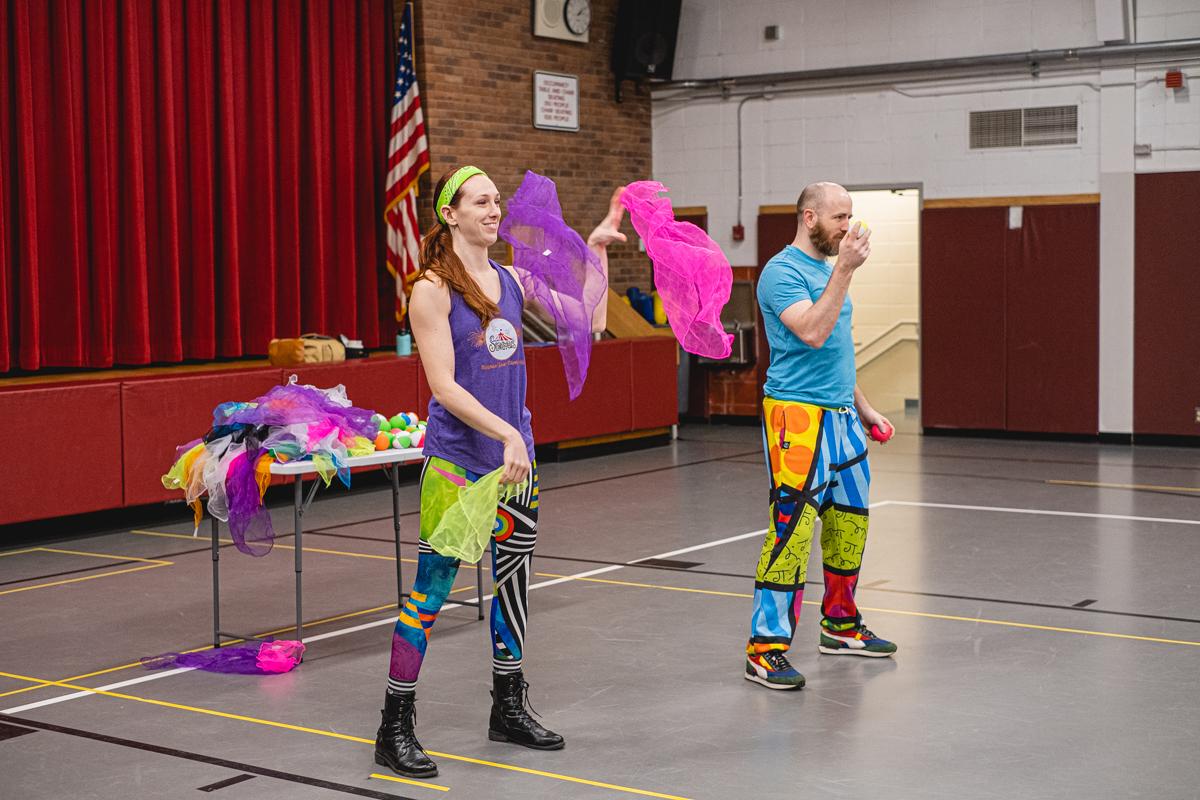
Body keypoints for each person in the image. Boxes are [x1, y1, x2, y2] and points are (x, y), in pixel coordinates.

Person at [374, 165, 626, 777]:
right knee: (430, 593)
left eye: (496, 201)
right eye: (480, 202)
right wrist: (508, 429)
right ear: (450, 214)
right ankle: (394, 724)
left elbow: (587, 316)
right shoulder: (431, 289)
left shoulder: (513, 278)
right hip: (460, 463)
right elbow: (443, 385)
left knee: (513, 586)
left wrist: (595, 249)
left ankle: (508, 707)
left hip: (516, 465)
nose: (494, 211)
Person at [744, 181, 898, 691]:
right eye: (839, 217)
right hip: (797, 417)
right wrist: (848, 271)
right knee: (792, 532)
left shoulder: (829, 272)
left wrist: (867, 410)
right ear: (809, 218)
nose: (847, 226)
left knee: (849, 524)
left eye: (850, 216)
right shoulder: (781, 272)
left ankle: (840, 623)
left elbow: (835, 352)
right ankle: (765, 650)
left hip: (841, 417)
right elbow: (810, 331)